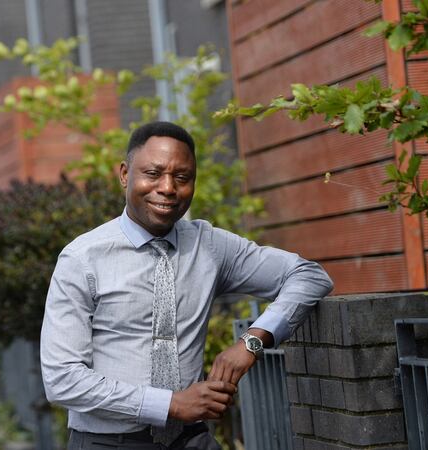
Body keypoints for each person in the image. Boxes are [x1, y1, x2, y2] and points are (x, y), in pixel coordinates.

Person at [40, 121, 333, 449]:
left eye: (182, 177)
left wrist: (252, 341)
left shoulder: (209, 246)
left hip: (191, 440)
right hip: (109, 442)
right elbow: (62, 380)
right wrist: (170, 405)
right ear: (124, 174)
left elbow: (309, 275)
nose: (168, 188)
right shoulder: (82, 259)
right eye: (153, 173)